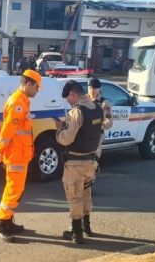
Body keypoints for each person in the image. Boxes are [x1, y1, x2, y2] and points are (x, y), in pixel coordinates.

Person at [0, 69, 42, 242]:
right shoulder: (17, 103)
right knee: (13, 190)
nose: (38, 90)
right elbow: (7, 131)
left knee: (17, 190)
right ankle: (1, 224)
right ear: (29, 84)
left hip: (21, 154)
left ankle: (7, 221)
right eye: (37, 87)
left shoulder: (22, 101)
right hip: (16, 156)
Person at [54, 80, 103, 244]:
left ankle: (76, 233)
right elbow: (99, 135)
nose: (68, 101)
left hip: (75, 163)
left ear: (72, 94)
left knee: (75, 197)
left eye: (68, 98)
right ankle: (86, 227)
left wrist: (59, 129)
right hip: (91, 161)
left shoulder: (76, 112)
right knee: (86, 194)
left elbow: (67, 139)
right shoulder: (97, 109)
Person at [86, 77, 113, 159]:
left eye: (94, 88)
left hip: (96, 135)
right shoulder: (83, 100)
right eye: (90, 88)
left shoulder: (105, 103)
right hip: (83, 135)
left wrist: (95, 125)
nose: (92, 90)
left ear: (99, 89)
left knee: (93, 159)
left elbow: (109, 122)